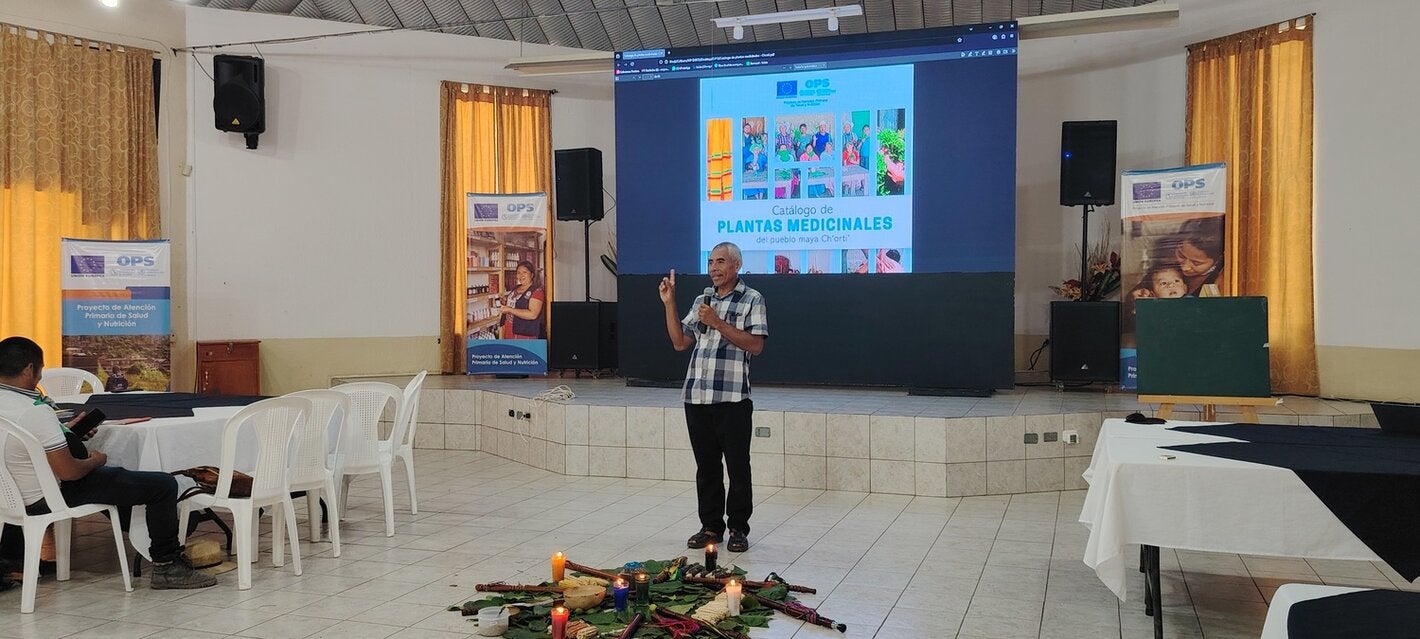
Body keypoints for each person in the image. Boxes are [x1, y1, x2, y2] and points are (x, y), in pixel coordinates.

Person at [0, 337, 216, 589]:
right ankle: (167, 566)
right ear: (29, 369)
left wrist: (66, 433)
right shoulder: (35, 411)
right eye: (40, 370)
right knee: (162, 485)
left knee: (121, 480)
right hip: (49, 495)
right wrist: (95, 461)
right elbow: (69, 472)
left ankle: (11, 563)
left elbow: (23, 445)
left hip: (9, 495)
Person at [658, 243, 767, 554]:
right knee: (706, 467)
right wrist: (670, 303)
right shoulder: (701, 300)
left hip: (732, 398)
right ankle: (710, 527)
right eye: (710, 262)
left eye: (720, 261)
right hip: (697, 396)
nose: (714, 268)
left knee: (737, 466)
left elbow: (756, 345)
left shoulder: (752, 299)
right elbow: (680, 342)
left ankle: (738, 529)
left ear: (736, 266)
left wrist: (718, 322)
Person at [1172, 217, 1224, 295]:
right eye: (1181, 255)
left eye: (1196, 263)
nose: (1185, 268)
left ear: (1217, 259)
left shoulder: (1222, 281)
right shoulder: (1165, 260)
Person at [498, 261, 545, 339]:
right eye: (518, 273)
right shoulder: (516, 288)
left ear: (532, 274)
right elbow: (518, 303)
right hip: (509, 328)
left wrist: (509, 310)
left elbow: (532, 314)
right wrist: (506, 301)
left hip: (524, 333)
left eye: (525, 272)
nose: (521, 275)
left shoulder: (537, 291)